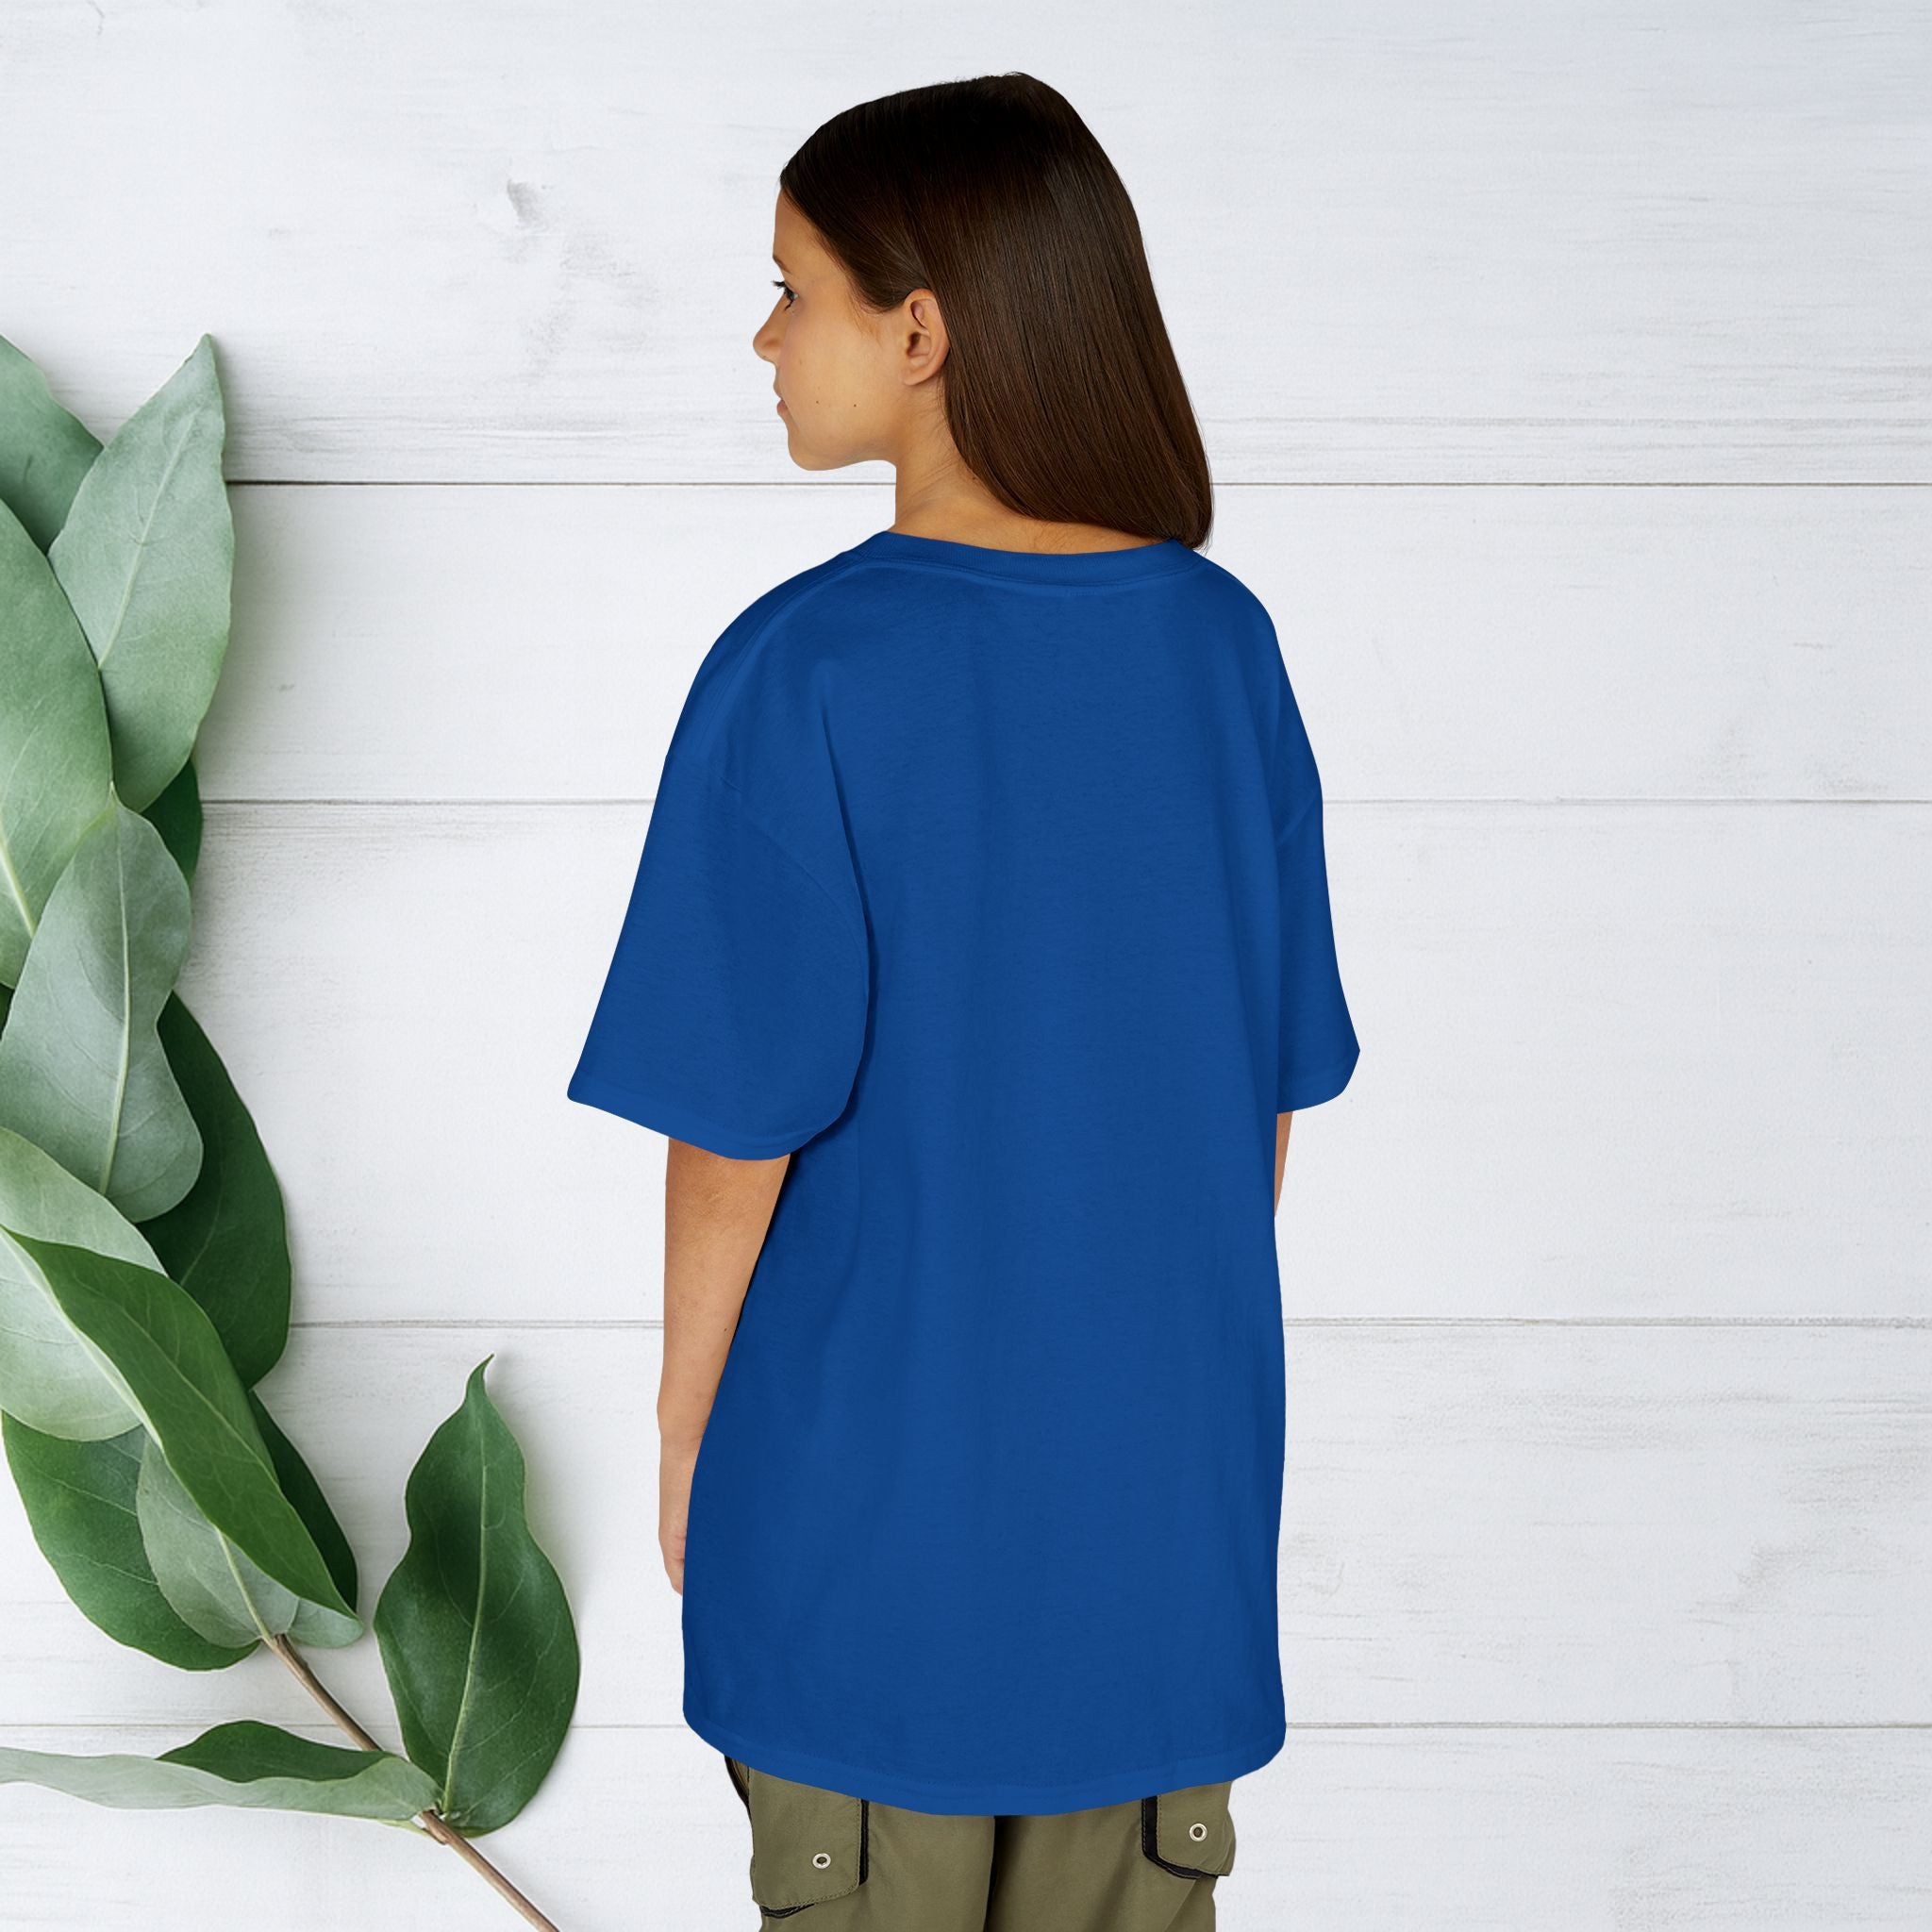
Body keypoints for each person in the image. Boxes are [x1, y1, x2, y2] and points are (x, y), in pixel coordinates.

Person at [566, 71, 1361, 1930]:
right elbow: (1251, 1109)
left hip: (865, 1541)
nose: (765, 339)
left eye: (793, 290)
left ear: (918, 333)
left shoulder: (801, 669)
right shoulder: (1224, 651)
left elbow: (733, 1130)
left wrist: (690, 1432)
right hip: (1153, 1553)